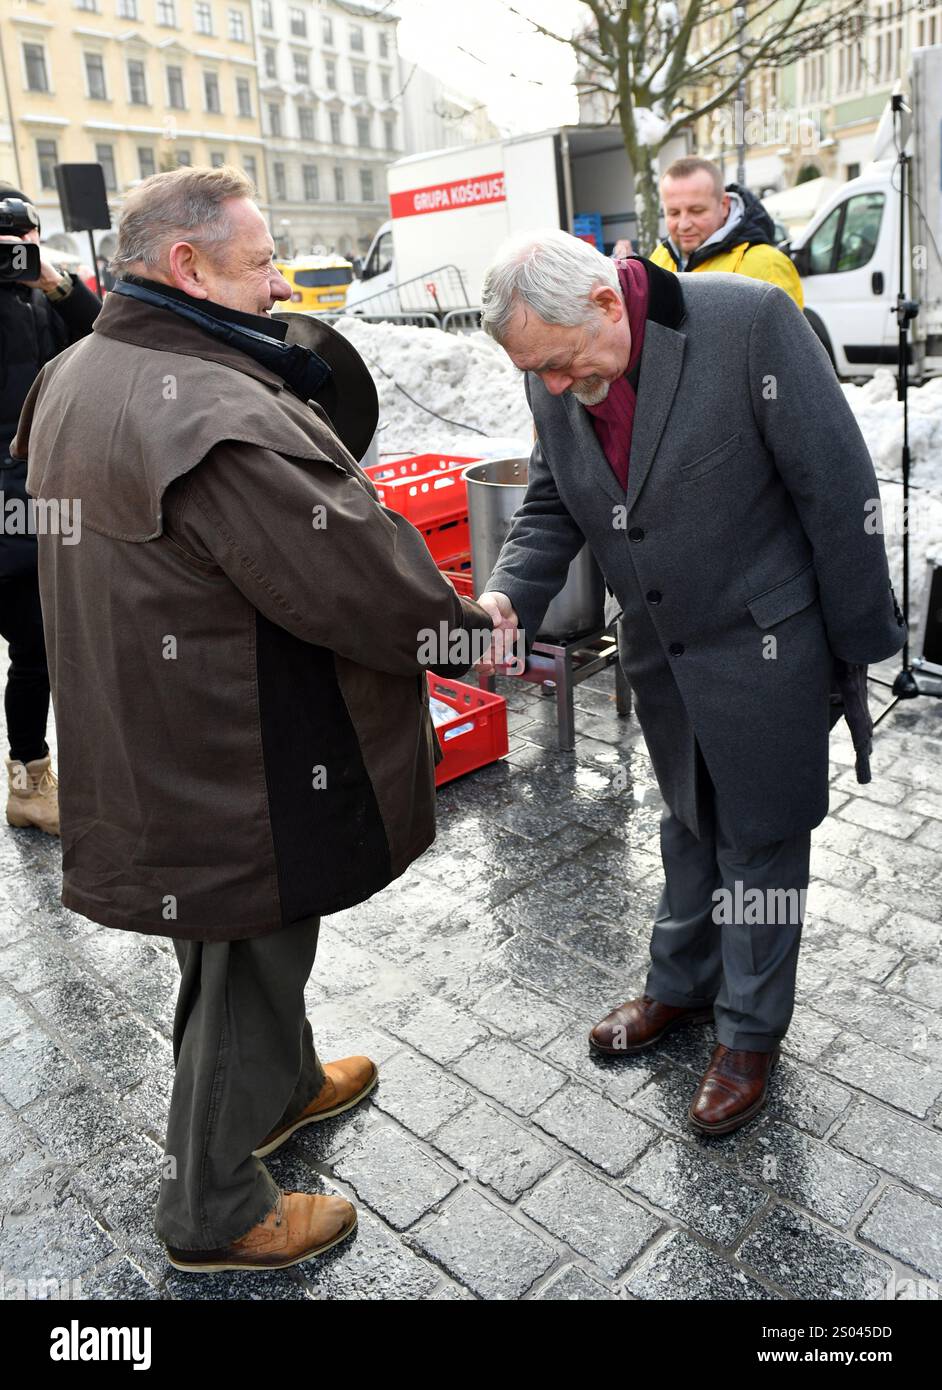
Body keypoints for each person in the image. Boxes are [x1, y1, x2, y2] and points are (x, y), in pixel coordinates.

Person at [12, 165, 494, 1272]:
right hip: (243, 743)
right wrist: (472, 632)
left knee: (230, 939)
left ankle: (280, 1086)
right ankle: (214, 1205)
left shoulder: (80, 369)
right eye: (262, 261)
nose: (281, 282)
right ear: (186, 264)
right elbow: (358, 586)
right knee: (250, 948)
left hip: (150, 726)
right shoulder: (215, 415)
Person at [474, 229, 904, 1136]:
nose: (552, 385)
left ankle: (749, 1034)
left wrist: (858, 648)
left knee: (761, 840)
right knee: (688, 823)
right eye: (536, 372)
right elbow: (556, 495)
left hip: (767, 647)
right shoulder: (553, 360)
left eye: (557, 363)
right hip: (664, 653)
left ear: (602, 301)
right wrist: (511, 591)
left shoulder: (746, 323)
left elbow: (837, 484)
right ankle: (681, 988)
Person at [0, 183, 100, 835]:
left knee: (40, 644)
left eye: (27, 241)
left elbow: (101, 332)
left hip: (38, 494)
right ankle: (30, 779)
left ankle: (31, 781)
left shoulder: (41, 297)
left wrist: (57, 284)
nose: (19, 256)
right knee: (36, 641)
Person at [646, 156, 804, 308]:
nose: (684, 224)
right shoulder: (659, 257)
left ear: (724, 205)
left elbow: (785, 335)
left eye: (697, 211)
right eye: (673, 213)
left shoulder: (768, 265)